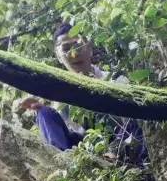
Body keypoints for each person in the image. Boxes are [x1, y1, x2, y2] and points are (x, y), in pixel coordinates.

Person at [15, 22, 146, 164]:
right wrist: (38, 108)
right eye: (66, 49)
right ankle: (64, 165)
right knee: (44, 113)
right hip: (87, 151)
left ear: (89, 48)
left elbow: (132, 125)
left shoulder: (115, 80)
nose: (74, 53)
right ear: (59, 56)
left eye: (77, 45)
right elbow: (71, 135)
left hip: (123, 144)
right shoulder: (60, 95)